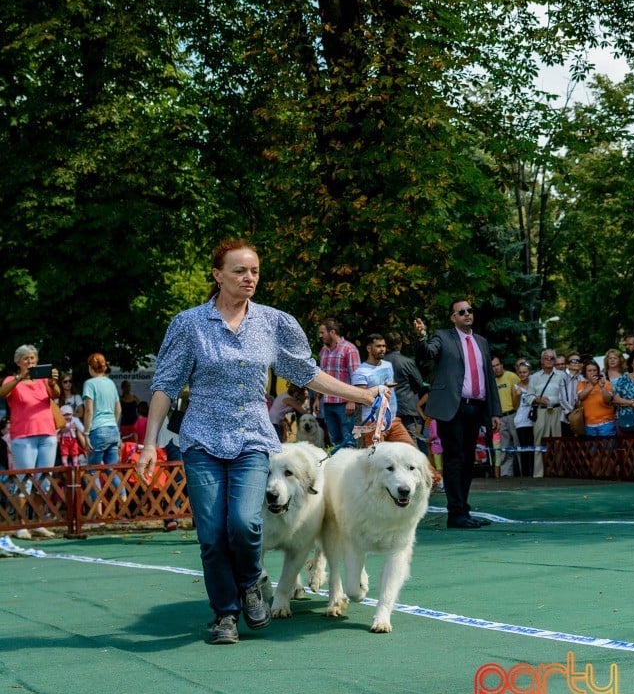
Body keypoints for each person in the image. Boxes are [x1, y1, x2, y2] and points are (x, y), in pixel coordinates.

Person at [136, 238, 384, 646]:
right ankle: (225, 614)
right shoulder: (189, 324)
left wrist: (360, 395)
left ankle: (250, 582)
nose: (248, 277)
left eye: (253, 271)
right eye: (239, 271)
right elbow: (165, 385)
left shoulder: (274, 322)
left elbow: (306, 373)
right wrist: (149, 443)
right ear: (218, 276)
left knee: (245, 523)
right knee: (213, 533)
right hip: (201, 439)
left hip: (253, 437)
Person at [414, 299, 501, 529]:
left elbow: (489, 379)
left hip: (476, 407)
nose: (467, 314)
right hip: (452, 408)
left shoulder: (481, 341)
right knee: (455, 460)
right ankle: (456, 513)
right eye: (461, 312)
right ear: (453, 317)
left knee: (468, 462)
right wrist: (421, 336)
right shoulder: (443, 337)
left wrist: (494, 412)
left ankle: (463, 510)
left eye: (470, 310)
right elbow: (427, 353)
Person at [0, 345, 59, 538]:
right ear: (18, 362)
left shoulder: (42, 380)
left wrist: (52, 382)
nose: (30, 362)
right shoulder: (11, 380)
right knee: (24, 481)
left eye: (33, 358)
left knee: (44, 482)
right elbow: (2, 392)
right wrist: (20, 378)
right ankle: (20, 524)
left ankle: (39, 522)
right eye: (26, 359)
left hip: (47, 434)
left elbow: (56, 394)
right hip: (24, 436)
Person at [83, 353, 125, 501]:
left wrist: (86, 433)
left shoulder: (89, 384)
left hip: (97, 430)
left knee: (92, 471)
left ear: (90, 367)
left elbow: (89, 410)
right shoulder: (110, 383)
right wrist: (112, 423)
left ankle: (97, 513)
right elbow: (118, 409)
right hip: (113, 429)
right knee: (111, 470)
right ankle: (124, 506)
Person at [312, 318, 360, 446]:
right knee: (335, 441)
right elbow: (321, 376)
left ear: (332, 332)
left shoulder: (349, 349)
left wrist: (352, 400)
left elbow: (356, 376)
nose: (320, 336)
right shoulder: (323, 351)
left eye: (322, 333)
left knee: (349, 440)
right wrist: (318, 398)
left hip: (344, 404)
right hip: (328, 403)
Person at [529, 349, 563, 477]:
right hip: (541, 411)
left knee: (558, 442)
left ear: (555, 361)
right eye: (546, 358)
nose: (549, 360)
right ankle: (538, 474)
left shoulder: (562, 375)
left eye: (551, 358)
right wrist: (537, 399)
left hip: (557, 411)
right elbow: (528, 397)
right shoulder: (534, 377)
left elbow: (567, 395)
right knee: (539, 442)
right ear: (541, 360)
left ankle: (559, 472)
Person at [385, 331, 424, 441]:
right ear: (401, 344)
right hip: (406, 406)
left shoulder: (380, 363)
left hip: (386, 407)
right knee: (410, 439)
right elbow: (419, 383)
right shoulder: (407, 362)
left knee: (388, 440)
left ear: (386, 345)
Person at [491, 357, 520, 477]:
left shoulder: (512, 376)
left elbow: (521, 393)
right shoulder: (491, 381)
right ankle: (506, 475)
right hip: (499, 418)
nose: (496, 368)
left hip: (513, 414)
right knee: (504, 448)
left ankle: (523, 473)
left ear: (502, 365)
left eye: (497, 365)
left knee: (518, 446)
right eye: (493, 366)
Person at [577, 360, 616, 438]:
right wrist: (592, 385)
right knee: (593, 450)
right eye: (589, 370)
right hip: (589, 424)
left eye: (594, 370)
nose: (592, 372)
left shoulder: (606, 383)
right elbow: (581, 397)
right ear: (585, 373)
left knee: (608, 449)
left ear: (598, 372)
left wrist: (602, 387)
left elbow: (608, 400)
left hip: (606, 423)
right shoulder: (581, 384)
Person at [511, 361, 535, 477]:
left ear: (529, 372)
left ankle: (534, 472)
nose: (522, 374)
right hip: (521, 421)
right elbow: (515, 406)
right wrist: (517, 395)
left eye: (525, 372)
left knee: (534, 448)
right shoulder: (515, 387)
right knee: (524, 448)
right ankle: (526, 474)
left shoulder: (534, 385)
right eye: (520, 372)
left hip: (533, 420)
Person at [612, 349, 634, 434]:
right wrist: (632, 402)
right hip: (626, 421)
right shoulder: (623, 378)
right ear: (631, 363)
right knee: (628, 446)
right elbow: (616, 399)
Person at [559, 351, 585, 436]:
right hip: (567, 418)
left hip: (583, 418)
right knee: (568, 445)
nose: (577, 362)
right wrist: (573, 414)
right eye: (573, 361)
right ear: (567, 365)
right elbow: (562, 400)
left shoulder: (584, 379)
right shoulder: (563, 379)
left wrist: (580, 415)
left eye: (578, 360)